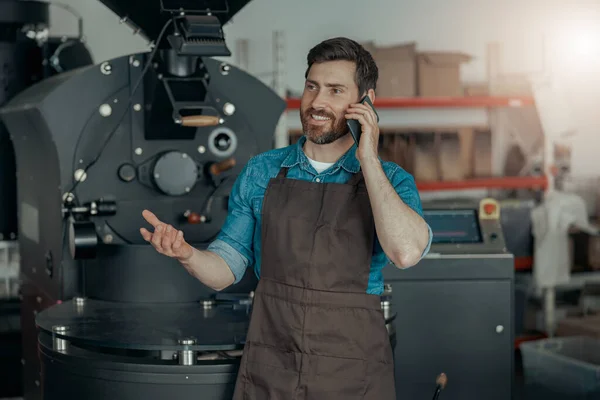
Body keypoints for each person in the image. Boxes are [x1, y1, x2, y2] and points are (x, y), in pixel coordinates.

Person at [140, 37, 432, 399]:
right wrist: (187, 255)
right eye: (312, 86)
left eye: (335, 90)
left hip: (352, 371)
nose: (318, 102)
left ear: (366, 101)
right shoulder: (262, 171)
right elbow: (226, 267)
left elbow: (405, 252)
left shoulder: (391, 181)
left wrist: (368, 158)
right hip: (272, 365)